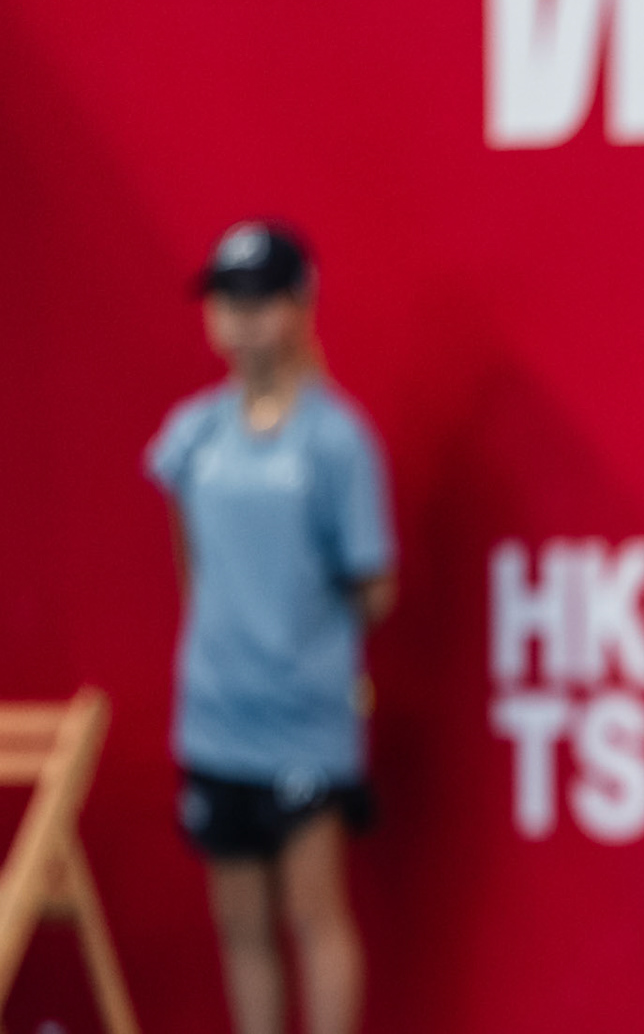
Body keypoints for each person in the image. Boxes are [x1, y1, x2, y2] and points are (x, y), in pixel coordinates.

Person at [145, 221, 395, 1034]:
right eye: (227, 299)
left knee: (313, 912)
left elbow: (374, 584)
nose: (242, 318)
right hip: (217, 717)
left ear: (299, 305)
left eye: (260, 298)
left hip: (303, 723)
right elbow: (192, 561)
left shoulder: (336, 441)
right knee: (240, 922)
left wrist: (299, 641)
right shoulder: (193, 437)